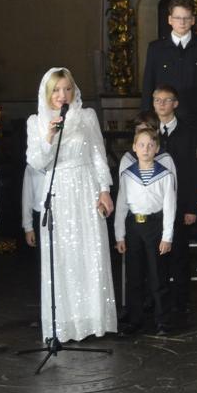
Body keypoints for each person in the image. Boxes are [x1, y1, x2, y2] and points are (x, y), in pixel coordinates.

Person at [25, 68, 117, 343]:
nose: (62, 95)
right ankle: (64, 324)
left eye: (67, 88)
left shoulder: (87, 116)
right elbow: (36, 162)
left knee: (90, 252)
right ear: (47, 93)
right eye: (56, 90)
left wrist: (104, 190)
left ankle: (94, 320)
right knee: (62, 256)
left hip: (86, 187)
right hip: (57, 192)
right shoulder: (35, 121)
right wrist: (49, 136)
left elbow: (98, 154)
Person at [115, 127, 176, 336]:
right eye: (141, 145)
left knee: (158, 276)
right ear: (134, 147)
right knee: (134, 277)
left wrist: (167, 236)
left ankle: (163, 322)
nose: (146, 149)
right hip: (134, 228)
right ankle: (135, 320)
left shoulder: (165, 175)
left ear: (157, 148)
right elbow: (121, 206)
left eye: (150, 145)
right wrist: (119, 235)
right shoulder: (127, 175)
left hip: (155, 227)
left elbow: (170, 207)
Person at [152, 84, 197, 326]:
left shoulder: (189, 132)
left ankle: (180, 305)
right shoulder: (149, 131)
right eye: (157, 100)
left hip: (181, 203)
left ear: (175, 103)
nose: (161, 104)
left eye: (166, 100)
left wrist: (192, 207)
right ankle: (158, 304)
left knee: (179, 256)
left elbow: (194, 172)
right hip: (154, 205)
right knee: (156, 257)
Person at [142, 0, 197, 142]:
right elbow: (148, 85)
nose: (182, 22)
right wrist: (147, 121)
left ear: (193, 20)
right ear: (170, 20)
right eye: (177, 18)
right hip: (164, 121)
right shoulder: (156, 48)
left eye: (186, 18)